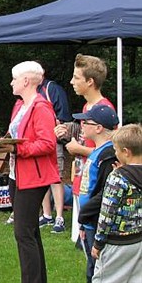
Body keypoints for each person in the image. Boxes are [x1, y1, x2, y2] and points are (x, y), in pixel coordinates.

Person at [0, 60, 60, 283]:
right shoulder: (20, 106)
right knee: (29, 232)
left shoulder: (41, 107)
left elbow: (47, 144)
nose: (11, 83)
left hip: (34, 177)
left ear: (25, 81)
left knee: (23, 233)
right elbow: (13, 136)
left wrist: (17, 149)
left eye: (14, 79)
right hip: (17, 175)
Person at [55, 54, 114, 244]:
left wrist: (78, 149)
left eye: (76, 77)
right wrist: (67, 132)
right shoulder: (87, 106)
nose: (71, 81)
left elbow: (110, 153)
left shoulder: (104, 109)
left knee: (91, 245)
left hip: (94, 185)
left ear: (90, 82)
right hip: (82, 180)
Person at [72, 105, 119, 282]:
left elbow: (104, 193)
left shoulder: (108, 156)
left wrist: (85, 216)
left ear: (98, 128)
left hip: (97, 222)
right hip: (89, 223)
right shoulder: (97, 152)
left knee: (100, 272)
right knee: (91, 268)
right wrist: (83, 225)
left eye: (85, 122)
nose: (81, 125)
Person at [91, 124, 142, 283]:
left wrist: (98, 243)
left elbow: (107, 214)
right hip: (138, 241)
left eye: (115, 149)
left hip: (116, 243)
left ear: (126, 152)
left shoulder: (117, 178)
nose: (114, 153)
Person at [37, 71, 73, 234]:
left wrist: (56, 125)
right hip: (38, 141)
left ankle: (59, 217)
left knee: (55, 177)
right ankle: (46, 214)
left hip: (53, 140)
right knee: (42, 177)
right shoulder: (32, 91)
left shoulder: (52, 89)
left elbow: (64, 117)